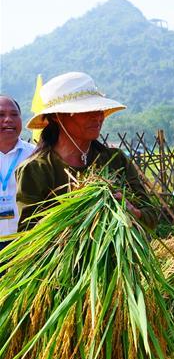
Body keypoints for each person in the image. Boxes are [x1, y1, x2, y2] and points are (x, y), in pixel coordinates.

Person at [16, 72, 156, 232]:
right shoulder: (36, 169)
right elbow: (28, 233)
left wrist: (134, 213)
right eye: (86, 111)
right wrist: (74, 214)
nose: (98, 117)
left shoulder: (115, 161)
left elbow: (151, 216)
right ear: (56, 117)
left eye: (99, 110)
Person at [0, 96, 36, 249]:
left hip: (25, 242)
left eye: (14, 115)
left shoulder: (35, 156)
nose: (8, 120)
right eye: (1, 115)